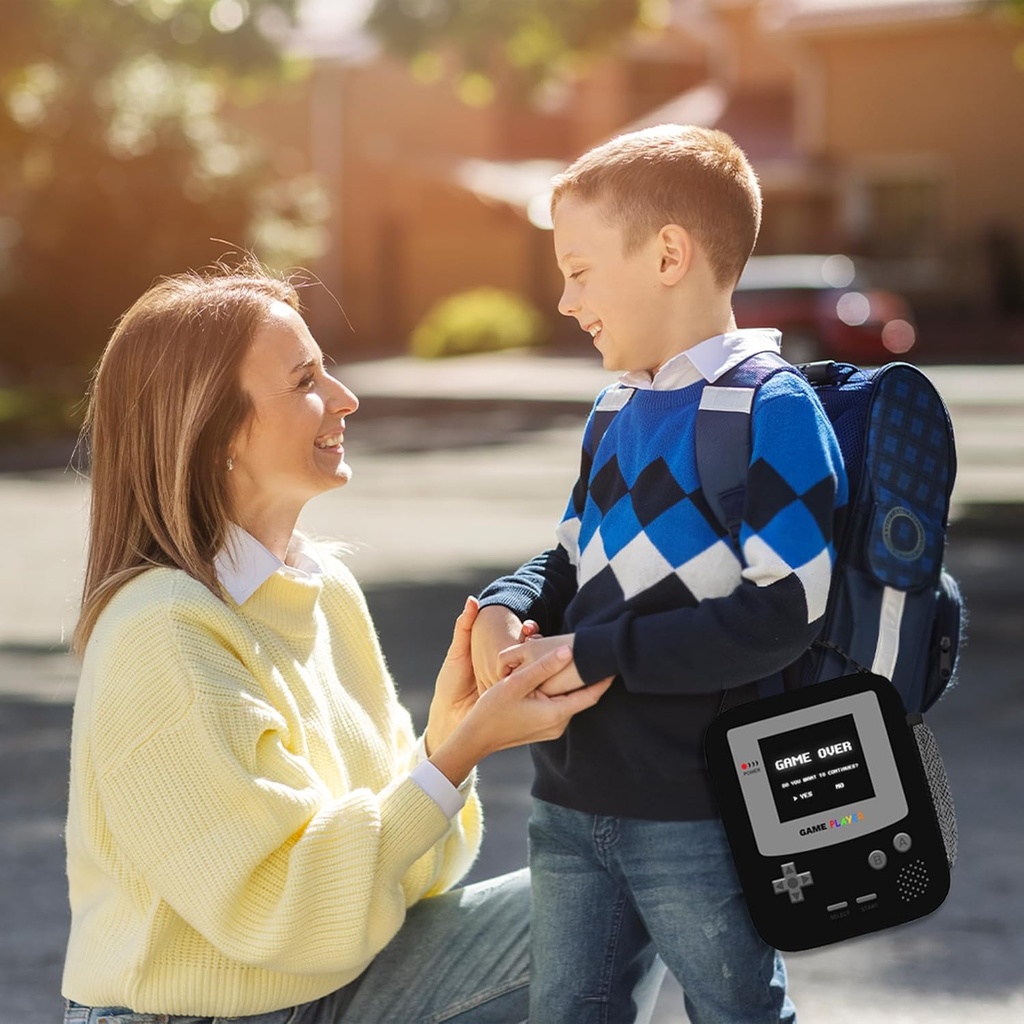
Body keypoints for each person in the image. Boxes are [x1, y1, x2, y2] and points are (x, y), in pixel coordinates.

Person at [61, 264, 612, 1024]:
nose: (346, 397)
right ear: (215, 432)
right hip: (202, 1015)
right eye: (305, 380)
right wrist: (455, 757)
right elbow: (277, 914)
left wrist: (442, 742)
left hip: (328, 984)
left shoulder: (322, 588)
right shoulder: (163, 631)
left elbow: (411, 882)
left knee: (618, 891)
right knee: (602, 908)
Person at [470, 124, 849, 1024]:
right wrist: (507, 602)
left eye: (580, 271)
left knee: (736, 1012)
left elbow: (782, 612)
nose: (565, 300)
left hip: (698, 810)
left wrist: (591, 652)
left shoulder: (772, 408)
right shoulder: (614, 410)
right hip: (569, 800)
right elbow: (570, 556)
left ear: (670, 256)